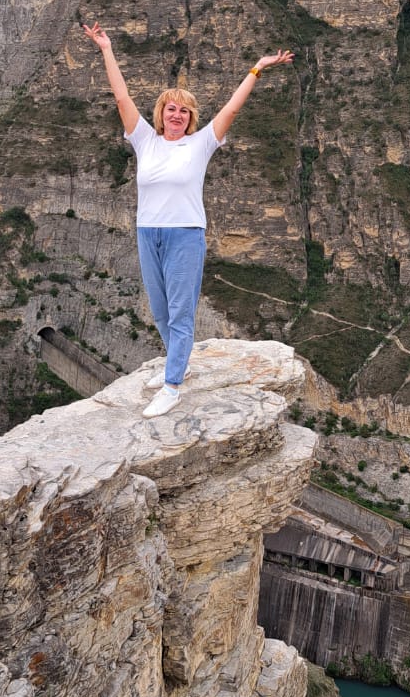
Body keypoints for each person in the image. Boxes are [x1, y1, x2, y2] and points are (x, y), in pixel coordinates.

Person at [81, 21, 294, 417]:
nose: (176, 115)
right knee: (160, 312)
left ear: (191, 117)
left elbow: (232, 107)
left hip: (185, 236)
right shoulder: (144, 140)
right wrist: (106, 49)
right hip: (148, 234)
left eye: (184, 110)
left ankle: (173, 384)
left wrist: (257, 69)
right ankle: (177, 362)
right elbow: (121, 96)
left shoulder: (201, 144)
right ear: (161, 114)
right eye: (170, 109)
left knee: (180, 313)